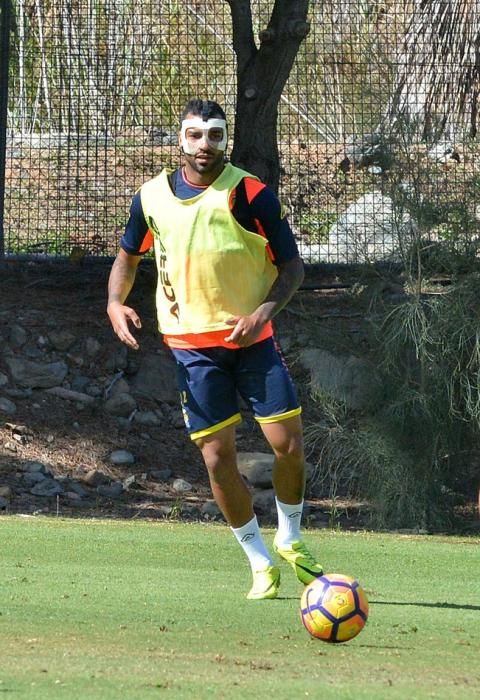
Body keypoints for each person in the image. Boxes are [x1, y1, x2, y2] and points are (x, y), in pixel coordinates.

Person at [107, 98, 323, 599]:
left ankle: (291, 538)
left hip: (253, 343)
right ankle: (258, 560)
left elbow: (292, 268)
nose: (205, 145)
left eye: (215, 135)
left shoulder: (250, 193)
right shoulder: (151, 197)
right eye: (195, 135)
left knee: (287, 445)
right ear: (181, 139)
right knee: (216, 456)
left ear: (227, 140)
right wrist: (115, 303)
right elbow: (127, 255)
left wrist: (260, 316)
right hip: (191, 350)